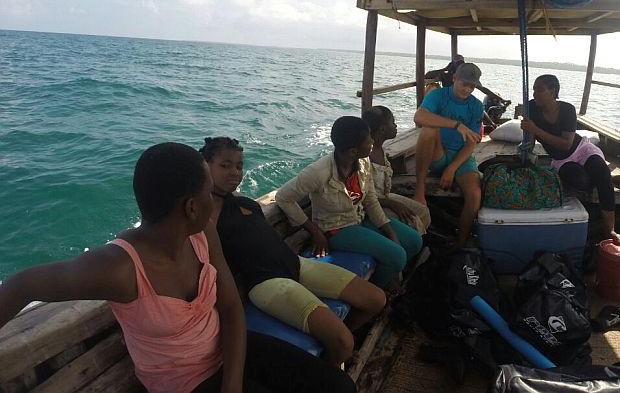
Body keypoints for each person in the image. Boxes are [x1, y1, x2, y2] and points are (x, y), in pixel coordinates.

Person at [0, 142, 355, 393]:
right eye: (206, 190)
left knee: (338, 385)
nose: (213, 197)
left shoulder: (202, 235)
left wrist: (232, 385)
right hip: (184, 381)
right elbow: (20, 286)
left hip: (230, 351)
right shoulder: (120, 267)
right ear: (190, 206)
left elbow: (230, 308)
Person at [200, 137, 386, 368]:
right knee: (344, 342)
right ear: (204, 166)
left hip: (295, 264)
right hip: (267, 282)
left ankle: (333, 348)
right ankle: (331, 363)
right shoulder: (202, 216)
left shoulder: (244, 203)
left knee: (376, 299)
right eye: (224, 165)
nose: (235, 172)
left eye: (239, 165)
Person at [275, 117, 422, 292]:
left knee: (414, 241)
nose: (372, 142)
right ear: (353, 151)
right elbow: (283, 197)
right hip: (337, 229)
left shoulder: (362, 162)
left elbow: (371, 201)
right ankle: (376, 289)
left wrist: (390, 233)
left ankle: (386, 276)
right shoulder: (319, 172)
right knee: (397, 256)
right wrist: (315, 231)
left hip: (359, 219)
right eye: (368, 140)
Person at [520, 75, 620, 245]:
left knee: (600, 171)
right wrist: (526, 146)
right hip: (561, 160)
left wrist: (535, 129)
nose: (534, 94)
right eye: (533, 89)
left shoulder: (567, 109)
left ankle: (610, 230)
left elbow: (566, 144)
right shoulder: (531, 107)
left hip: (581, 149)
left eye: (539, 90)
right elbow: (531, 140)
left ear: (553, 91)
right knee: (581, 183)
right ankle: (606, 178)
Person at [413, 63, 484, 247]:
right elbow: (419, 117)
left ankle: (461, 244)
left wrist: (452, 168)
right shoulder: (438, 95)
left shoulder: (476, 106)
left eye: (472, 86)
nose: (467, 89)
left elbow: (472, 142)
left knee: (475, 195)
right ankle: (419, 188)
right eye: (464, 84)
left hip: (461, 158)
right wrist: (455, 124)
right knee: (428, 130)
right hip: (438, 153)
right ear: (454, 79)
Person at [361, 106, 432, 234]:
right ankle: (410, 246)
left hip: (384, 197)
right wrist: (393, 204)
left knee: (423, 211)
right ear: (382, 129)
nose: (396, 126)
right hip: (370, 206)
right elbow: (364, 198)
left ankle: (418, 243)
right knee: (411, 220)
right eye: (393, 123)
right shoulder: (365, 155)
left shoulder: (380, 149)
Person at [425, 53, 510, 107]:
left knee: (476, 106)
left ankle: (491, 124)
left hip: (462, 101)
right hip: (448, 101)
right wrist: (444, 69)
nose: (459, 65)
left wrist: (501, 99)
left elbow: (483, 89)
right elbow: (427, 76)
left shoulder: (467, 76)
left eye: (461, 63)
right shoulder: (445, 74)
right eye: (457, 63)